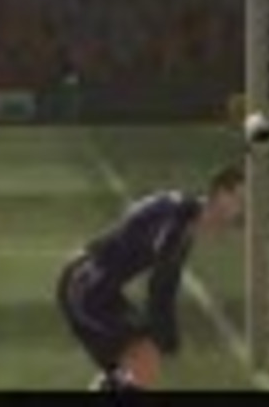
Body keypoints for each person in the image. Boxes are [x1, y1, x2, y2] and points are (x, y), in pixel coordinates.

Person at [56, 164, 245, 391]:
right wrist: (165, 332)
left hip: (95, 287)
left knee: (134, 366)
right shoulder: (178, 219)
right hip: (86, 288)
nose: (242, 209)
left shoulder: (185, 218)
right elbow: (162, 280)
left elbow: (167, 278)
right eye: (239, 199)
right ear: (221, 193)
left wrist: (165, 330)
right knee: (144, 358)